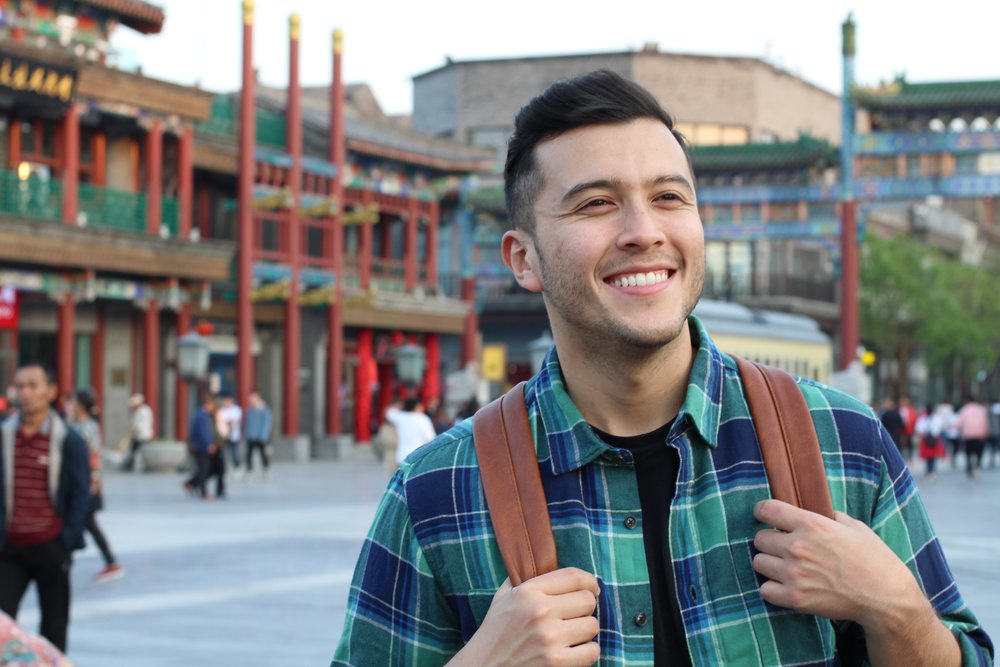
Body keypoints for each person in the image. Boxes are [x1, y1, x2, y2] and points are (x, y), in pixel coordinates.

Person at [333, 70, 993, 665]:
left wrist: (895, 607)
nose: (643, 230)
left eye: (670, 197)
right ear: (522, 258)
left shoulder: (842, 443)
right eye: (596, 203)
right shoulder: (434, 492)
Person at [0, 363, 90, 652]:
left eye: (32, 385)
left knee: (54, 629)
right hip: (9, 549)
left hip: (51, 545)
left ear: (51, 392)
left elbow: (80, 494)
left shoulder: (68, 440)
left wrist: (67, 540)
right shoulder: (4, 437)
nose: (25, 393)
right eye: (20, 386)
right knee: (2, 629)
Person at [68, 388, 124, 583]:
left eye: (72, 401)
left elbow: (88, 459)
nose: (69, 405)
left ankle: (111, 563)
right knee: (88, 525)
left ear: (80, 406)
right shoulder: (84, 425)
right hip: (89, 484)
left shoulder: (84, 428)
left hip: (85, 485)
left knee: (80, 524)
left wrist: (89, 484)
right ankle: (111, 562)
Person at [184, 395, 222, 500]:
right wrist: (209, 444)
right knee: (204, 470)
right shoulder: (202, 416)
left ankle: (191, 483)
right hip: (203, 447)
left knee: (208, 469)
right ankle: (204, 493)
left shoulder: (202, 415)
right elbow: (204, 433)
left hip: (201, 446)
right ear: (207, 405)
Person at [383, 398, 437, 472]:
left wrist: (399, 406)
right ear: (416, 407)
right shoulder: (423, 419)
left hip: (401, 457)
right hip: (418, 457)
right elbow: (431, 438)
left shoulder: (401, 417)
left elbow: (389, 412)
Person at [955, 393, 990, 482]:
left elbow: (959, 423)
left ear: (967, 400)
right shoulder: (981, 410)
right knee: (979, 453)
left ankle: (969, 469)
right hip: (979, 435)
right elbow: (985, 422)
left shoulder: (965, 410)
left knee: (968, 453)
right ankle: (977, 466)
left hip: (968, 436)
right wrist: (985, 432)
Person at [244, 391, 273, 481]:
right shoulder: (250, 409)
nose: (251, 400)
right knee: (248, 455)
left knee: (263, 455)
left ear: (258, 397)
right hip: (251, 436)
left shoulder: (264, 409)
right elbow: (247, 423)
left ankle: (266, 471)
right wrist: (247, 434)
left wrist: (263, 436)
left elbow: (267, 423)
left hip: (261, 437)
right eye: (250, 398)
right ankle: (250, 472)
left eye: (253, 398)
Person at [915, 402, 946, 481]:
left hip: (927, 438)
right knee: (932, 456)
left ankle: (929, 470)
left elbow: (918, 428)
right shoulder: (936, 418)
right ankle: (931, 470)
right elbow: (939, 428)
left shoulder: (923, 418)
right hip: (933, 438)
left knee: (929, 456)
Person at [123, 393, 153, 472]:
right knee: (133, 451)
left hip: (143, 435)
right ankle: (130, 465)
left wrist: (133, 429)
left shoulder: (144, 411)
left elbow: (140, 425)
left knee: (143, 452)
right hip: (137, 436)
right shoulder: (136, 412)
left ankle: (145, 465)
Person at [217, 395, 243, 480]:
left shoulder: (236, 409)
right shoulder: (221, 410)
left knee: (234, 454)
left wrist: (227, 422)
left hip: (234, 436)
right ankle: (223, 472)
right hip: (223, 436)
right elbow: (220, 422)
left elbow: (235, 421)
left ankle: (237, 469)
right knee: (224, 455)